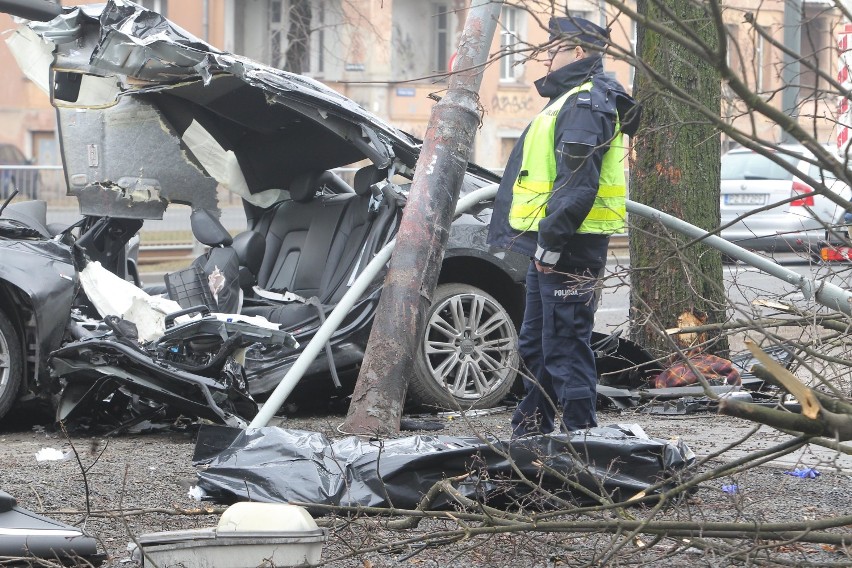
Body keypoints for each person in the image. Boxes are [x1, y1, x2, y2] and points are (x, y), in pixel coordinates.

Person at [486, 16, 641, 437]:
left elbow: (577, 185)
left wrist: (551, 246)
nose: (544, 59)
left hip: (569, 247)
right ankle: (531, 436)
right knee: (537, 343)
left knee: (566, 346)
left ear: (576, 52)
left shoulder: (585, 104)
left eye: (551, 50)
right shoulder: (570, 99)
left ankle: (583, 443)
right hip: (551, 244)